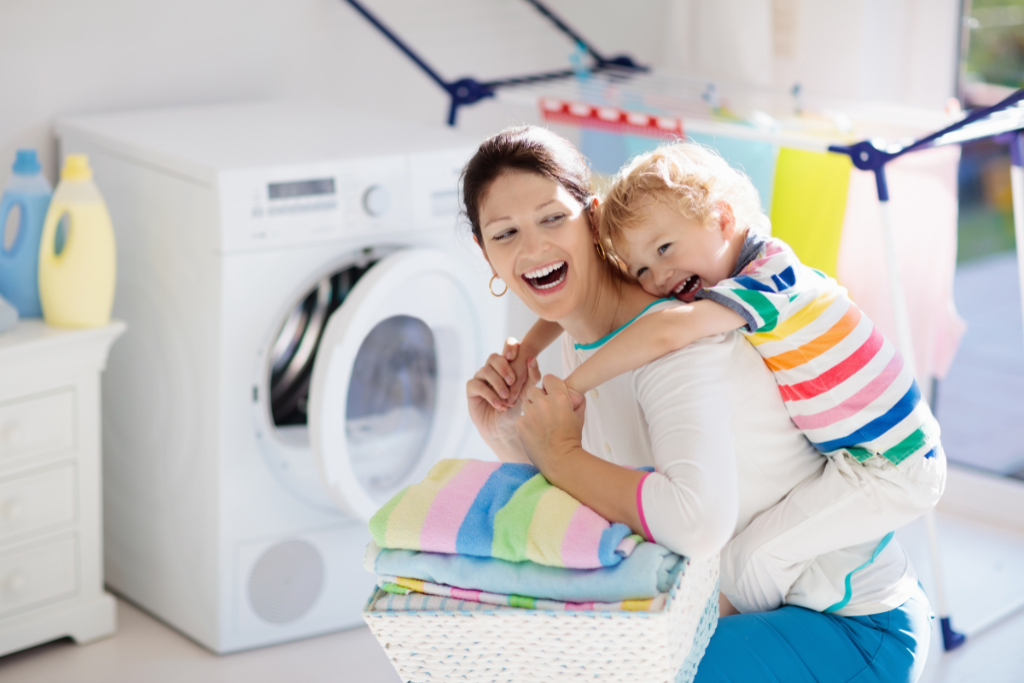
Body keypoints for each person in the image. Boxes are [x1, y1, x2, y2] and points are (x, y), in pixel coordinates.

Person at [463, 125, 931, 682]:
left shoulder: (676, 338)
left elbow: (694, 523)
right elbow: (604, 515)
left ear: (591, 220)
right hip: (757, 606)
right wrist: (512, 433)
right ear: (485, 253)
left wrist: (559, 447)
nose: (534, 247)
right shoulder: (581, 342)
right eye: (505, 233)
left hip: (849, 624)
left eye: (551, 218)